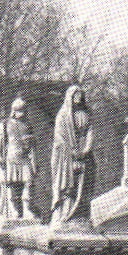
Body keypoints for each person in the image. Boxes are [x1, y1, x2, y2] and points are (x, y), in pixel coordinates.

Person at [49, 85, 96, 226]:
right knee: (68, 185)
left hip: (84, 154)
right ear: (70, 97)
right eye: (75, 95)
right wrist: (72, 151)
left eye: (80, 95)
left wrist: (86, 149)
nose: (78, 98)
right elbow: (59, 137)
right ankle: (65, 214)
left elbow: (90, 131)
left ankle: (80, 215)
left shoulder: (86, 113)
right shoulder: (63, 115)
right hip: (66, 156)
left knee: (84, 185)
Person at [0, 96, 36, 220]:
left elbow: (32, 145)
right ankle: (14, 210)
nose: (22, 114)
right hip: (11, 157)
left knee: (28, 182)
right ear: (14, 111)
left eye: (24, 111)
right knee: (12, 185)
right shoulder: (5, 124)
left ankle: (27, 208)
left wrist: (34, 158)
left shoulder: (28, 125)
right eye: (20, 111)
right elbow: (0, 143)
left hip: (24, 158)